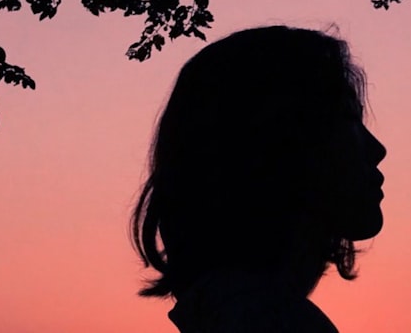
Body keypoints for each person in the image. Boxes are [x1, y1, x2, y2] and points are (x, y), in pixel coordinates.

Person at [132, 26, 387, 332]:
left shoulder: (226, 313)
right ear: (275, 141)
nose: (377, 149)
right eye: (346, 119)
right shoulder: (275, 322)